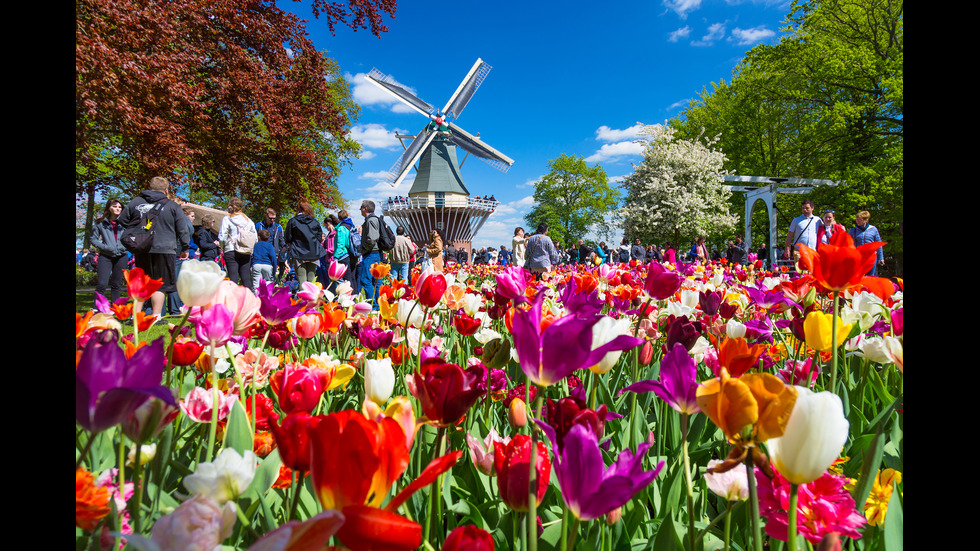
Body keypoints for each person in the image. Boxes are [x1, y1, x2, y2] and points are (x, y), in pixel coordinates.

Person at [117, 176, 190, 317]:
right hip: (165, 247)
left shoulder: (136, 202)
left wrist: (139, 230)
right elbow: (183, 229)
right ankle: (156, 316)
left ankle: (135, 315)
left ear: (149, 187)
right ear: (166, 190)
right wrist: (185, 247)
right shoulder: (172, 205)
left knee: (141, 283)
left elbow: (123, 219)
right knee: (160, 283)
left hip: (141, 247)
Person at [90, 198, 128, 306]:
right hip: (105, 256)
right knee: (102, 284)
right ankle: (97, 307)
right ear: (109, 207)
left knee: (116, 284)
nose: (117, 209)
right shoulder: (100, 223)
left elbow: (130, 237)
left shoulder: (125, 223)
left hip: (121, 256)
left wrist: (126, 247)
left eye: (120, 207)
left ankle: (116, 307)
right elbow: (93, 239)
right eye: (115, 206)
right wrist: (105, 247)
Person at [285, 197, 326, 285]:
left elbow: (288, 238)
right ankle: (311, 299)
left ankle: (303, 299)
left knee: (302, 282)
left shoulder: (293, 222)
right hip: (313, 253)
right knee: (311, 282)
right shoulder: (315, 222)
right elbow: (319, 238)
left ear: (298, 208)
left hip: (298, 253)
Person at [218, 197, 254, 289]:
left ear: (231, 207)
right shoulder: (248, 221)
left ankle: (233, 300)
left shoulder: (227, 219)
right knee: (246, 278)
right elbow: (255, 237)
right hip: (245, 250)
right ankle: (250, 299)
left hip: (231, 249)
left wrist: (222, 246)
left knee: (233, 278)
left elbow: (222, 236)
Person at [358, 200, 384, 307]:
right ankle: (378, 304)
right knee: (376, 281)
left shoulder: (370, 220)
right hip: (376, 252)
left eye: (361, 207)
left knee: (365, 279)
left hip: (371, 253)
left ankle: (373, 304)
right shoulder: (375, 219)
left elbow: (372, 238)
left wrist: (364, 248)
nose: (360, 210)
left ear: (365, 208)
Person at [848, 210, 885, 275]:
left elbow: (878, 244)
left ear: (866, 220)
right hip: (858, 257)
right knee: (858, 276)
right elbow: (848, 244)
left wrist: (880, 258)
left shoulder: (873, 229)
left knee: (870, 276)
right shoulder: (853, 230)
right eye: (857, 219)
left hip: (871, 257)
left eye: (859, 220)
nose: (857, 221)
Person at [256, 208, 286, 283]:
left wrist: (284, 247)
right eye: (270, 218)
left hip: (273, 252)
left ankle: (271, 287)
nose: (272, 220)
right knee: (260, 273)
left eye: (274, 218)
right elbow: (254, 238)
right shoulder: (259, 225)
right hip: (261, 252)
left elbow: (281, 239)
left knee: (271, 273)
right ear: (266, 216)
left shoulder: (278, 227)